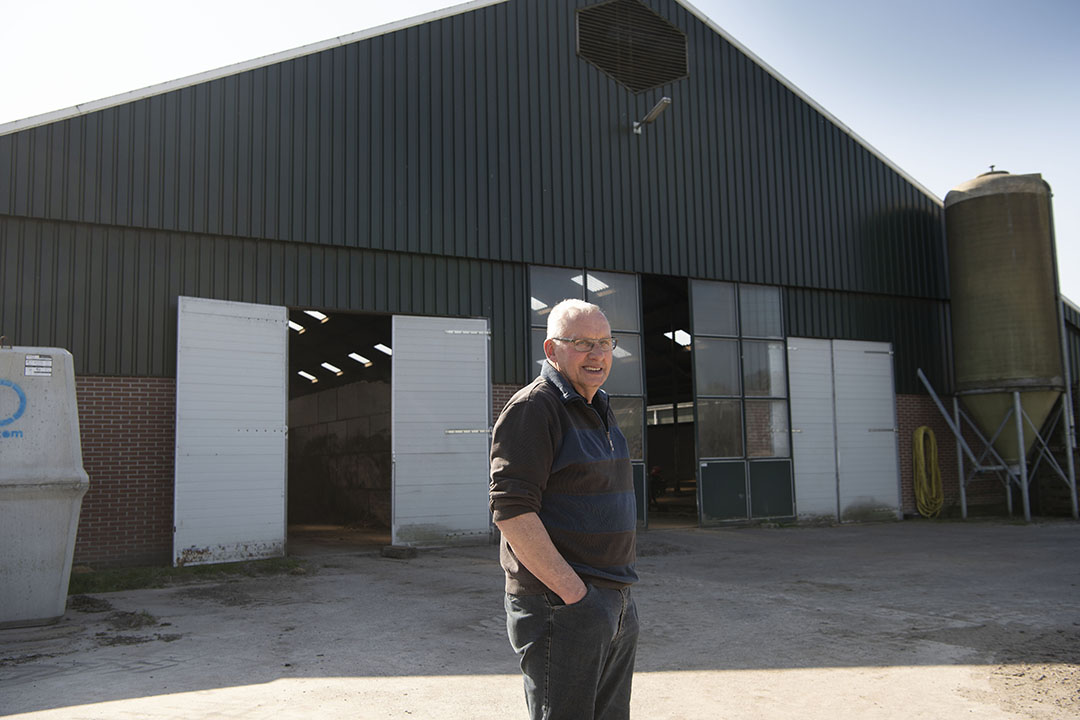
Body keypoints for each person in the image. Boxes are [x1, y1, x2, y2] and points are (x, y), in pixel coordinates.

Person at [489, 299, 639, 720]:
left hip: (613, 599)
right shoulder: (534, 408)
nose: (597, 354)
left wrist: (614, 601)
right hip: (563, 607)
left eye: (605, 343)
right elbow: (512, 512)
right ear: (552, 350)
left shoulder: (598, 406)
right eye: (582, 343)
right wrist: (579, 598)